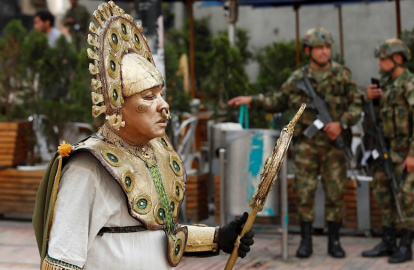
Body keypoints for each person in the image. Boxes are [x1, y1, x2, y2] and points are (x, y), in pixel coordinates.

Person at [33, 2, 254, 269]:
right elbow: (62, 261)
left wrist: (219, 237)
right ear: (117, 104)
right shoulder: (87, 169)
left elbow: (161, 235)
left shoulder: (156, 151)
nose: (163, 105)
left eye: (161, 95)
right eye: (148, 97)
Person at [228, 27, 362, 259]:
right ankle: (306, 241)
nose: (324, 52)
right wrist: (252, 100)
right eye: (319, 48)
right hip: (306, 147)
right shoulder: (298, 79)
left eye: (327, 47)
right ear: (309, 50)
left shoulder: (343, 75)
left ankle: (334, 241)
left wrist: (341, 123)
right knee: (304, 193)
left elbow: (356, 106)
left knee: (335, 194)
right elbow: (278, 100)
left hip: (333, 146)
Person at [361, 38, 414, 263]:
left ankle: (406, 246)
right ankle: (388, 242)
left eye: (383, 59)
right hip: (384, 150)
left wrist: (413, 154)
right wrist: (369, 99)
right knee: (384, 195)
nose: (379, 63)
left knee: (406, 198)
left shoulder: (412, 85)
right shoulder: (389, 86)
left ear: (397, 59)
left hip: (404, 152)